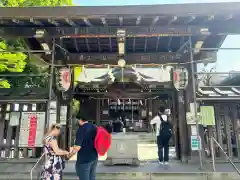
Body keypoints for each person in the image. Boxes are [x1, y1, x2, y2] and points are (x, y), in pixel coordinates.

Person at [69, 114, 98, 180]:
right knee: (92, 177)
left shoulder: (81, 129)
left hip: (84, 159)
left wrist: (69, 155)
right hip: (94, 156)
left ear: (80, 120)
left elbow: (77, 147)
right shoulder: (94, 127)